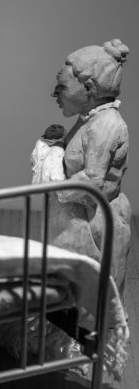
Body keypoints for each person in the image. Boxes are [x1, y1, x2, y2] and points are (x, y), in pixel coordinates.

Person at [50, 38, 131, 312]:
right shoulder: (90, 118)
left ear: (89, 89)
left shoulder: (106, 125)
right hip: (78, 215)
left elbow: (92, 180)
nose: (54, 93)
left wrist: (52, 187)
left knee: (94, 301)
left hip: (95, 222)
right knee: (71, 295)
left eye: (62, 87)